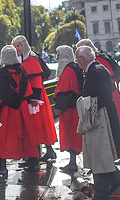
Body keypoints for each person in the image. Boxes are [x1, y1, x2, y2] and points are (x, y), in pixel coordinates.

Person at [75, 46, 120, 200]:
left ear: (82, 59)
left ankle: (101, 193)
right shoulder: (97, 69)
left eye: (77, 58)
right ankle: (116, 180)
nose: (76, 61)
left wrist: (85, 107)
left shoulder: (94, 71)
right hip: (102, 115)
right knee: (100, 155)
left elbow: (98, 96)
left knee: (99, 155)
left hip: (100, 117)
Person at [76, 38, 120, 165]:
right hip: (112, 94)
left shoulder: (99, 60)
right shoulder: (101, 57)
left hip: (110, 95)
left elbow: (110, 78)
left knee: (117, 125)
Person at [0, 45, 39, 178]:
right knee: (27, 135)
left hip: (7, 111)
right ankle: (33, 163)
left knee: (3, 138)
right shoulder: (22, 71)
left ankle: (3, 167)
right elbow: (28, 92)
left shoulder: (1, 73)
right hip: (21, 108)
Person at [11, 35, 58, 163]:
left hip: (35, 98)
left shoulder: (31, 59)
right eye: (15, 46)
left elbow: (36, 82)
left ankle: (39, 154)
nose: (17, 49)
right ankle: (46, 151)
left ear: (24, 45)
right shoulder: (25, 59)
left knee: (38, 125)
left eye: (19, 46)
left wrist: (34, 102)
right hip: (32, 97)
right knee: (38, 125)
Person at [53, 45, 83, 173]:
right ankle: (72, 162)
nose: (57, 57)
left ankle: (72, 164)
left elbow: (65, 91)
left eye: (58, 55)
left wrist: (58, 107)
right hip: (75, 107)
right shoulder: (74, 67)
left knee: (71, 137)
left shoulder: (68, 70)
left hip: (70, 110)